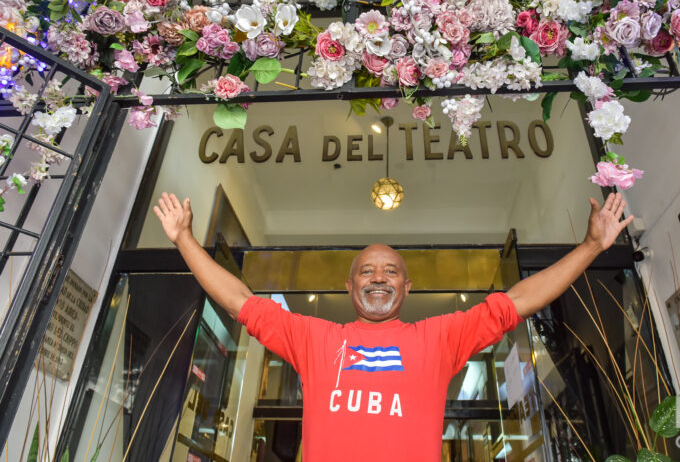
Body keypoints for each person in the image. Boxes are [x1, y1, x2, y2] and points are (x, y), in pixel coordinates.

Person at [154, 191, 633, 461]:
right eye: (367, 270)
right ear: (349, 287)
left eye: (390, 272)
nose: (379, 278)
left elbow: (518, 300)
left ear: (406, 289)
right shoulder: (315, 339)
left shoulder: (439, 338)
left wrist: (591, 247)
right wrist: (183, 241)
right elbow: (239, 299)